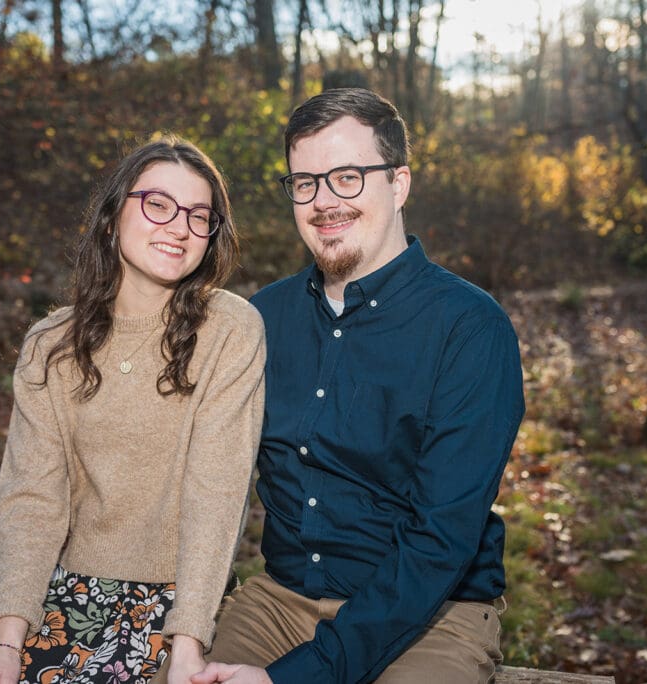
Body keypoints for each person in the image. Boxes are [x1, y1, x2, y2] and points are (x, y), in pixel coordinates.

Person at [166, 88, 526, 684]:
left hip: (431, 612)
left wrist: (296, 678)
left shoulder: (470, 328)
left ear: (399, 183)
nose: (323, 201)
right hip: (282, 600)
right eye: (304, 183)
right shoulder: (263, 319)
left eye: (348, 177)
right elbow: (199, 474)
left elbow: (441, 540)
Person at [0, 135, 266, 684]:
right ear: (115, 214)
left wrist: (187, 642)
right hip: (63, 591)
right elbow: (30, 500)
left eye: (198, 215)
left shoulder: (229, 329)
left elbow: (218, 492)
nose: (179, 226)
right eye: (158, 204)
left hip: (176, 599)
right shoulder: (52, 344)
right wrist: (4, 640)